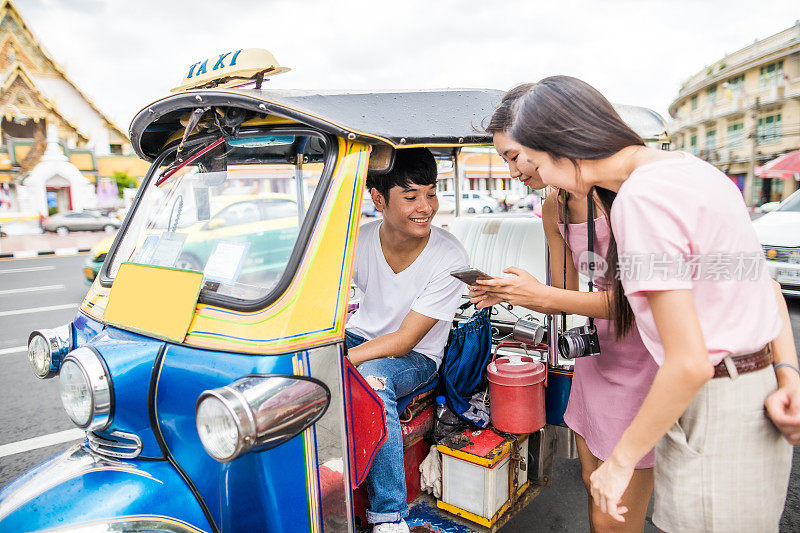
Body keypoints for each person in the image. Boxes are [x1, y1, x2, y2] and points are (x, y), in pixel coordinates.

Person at [509, 75, 800, 532]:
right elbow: (761, 287)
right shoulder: (694, 172)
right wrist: (787, 372)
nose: (534, 175)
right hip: (754, 390)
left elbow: (688, 363)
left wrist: (620, 461)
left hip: (714, 402)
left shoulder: (640, 199)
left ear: (563, 147)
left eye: (533, 159)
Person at [471, 84, 658, 532]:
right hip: (596, 356)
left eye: (515, 156)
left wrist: (545, 296)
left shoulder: (628, 194)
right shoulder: (554, 203)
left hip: (645, 359)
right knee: (596, 489)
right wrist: (513, 292)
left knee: (616, 514)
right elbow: (562, 291)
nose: (513, 171)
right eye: (504, 160)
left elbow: (643, 300)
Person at [345, 147, 469, 533]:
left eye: (431, 193)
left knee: (373, 380)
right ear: (378, 199)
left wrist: (345, 359)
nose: (426, 207)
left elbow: (403, 339)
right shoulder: (358, 241)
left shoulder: (449, 256)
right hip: (362, 335)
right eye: (412, 196)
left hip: (415, 357)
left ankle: (388, 516)